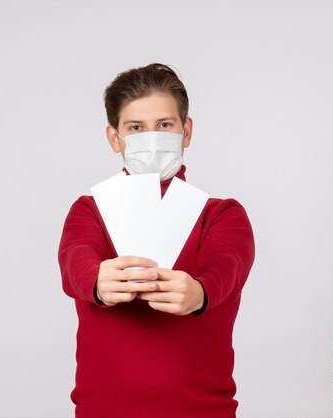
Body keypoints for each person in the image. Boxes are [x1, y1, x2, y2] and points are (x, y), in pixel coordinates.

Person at [58, 63, 255, 418]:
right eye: (136, 128)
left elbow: (229, 266)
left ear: (186, 131)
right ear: (114, 138)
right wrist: (96, 280)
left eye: (164, 125)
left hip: (202, 411)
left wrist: (201, 292)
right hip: (103, 411)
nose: (151, 138)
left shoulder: (222, 214)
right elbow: (75, 258)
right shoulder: (90, 210)